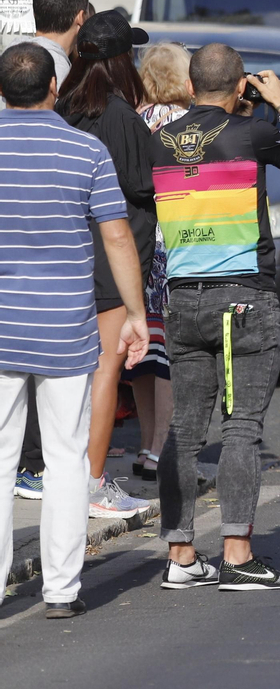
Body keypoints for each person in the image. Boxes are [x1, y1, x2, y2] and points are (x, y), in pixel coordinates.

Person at [149, 43, 280, 592]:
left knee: (184, 428)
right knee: (241, 427)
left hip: (181, 298)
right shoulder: (253, 133)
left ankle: (181, 556)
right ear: (239, 88)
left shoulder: (159, 141)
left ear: (189, 87)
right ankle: (237, 554)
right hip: (242, 296)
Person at [0, 42, 149, 619]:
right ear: (53, 90)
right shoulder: (84, 150)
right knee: (65, 458)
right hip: (65, 327)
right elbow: (116, 236)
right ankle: (61, 589)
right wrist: (135, 314)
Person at [56, 12, 160, 520]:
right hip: (113, 266)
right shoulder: (122, 117)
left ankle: (71, 475)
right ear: (122, 61)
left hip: (69, 259)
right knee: (104, 372)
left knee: (69, 379)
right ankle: (93, 482)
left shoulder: (61, 109)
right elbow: (146, 186)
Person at [12, 0, 91, 500]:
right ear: (81, 17)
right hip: (55, 275)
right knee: (65, 445)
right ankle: (63, 583)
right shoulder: (61, 76)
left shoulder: (12, 63)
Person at [129, 42, 192, 483]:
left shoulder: (135, 119)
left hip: (138, 246)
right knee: (168, 352)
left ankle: (146, 445)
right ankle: (162, 448)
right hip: (173, 243)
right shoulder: (187, 125)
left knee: (144, 352)